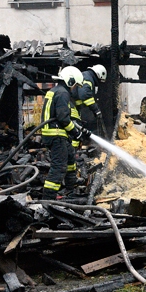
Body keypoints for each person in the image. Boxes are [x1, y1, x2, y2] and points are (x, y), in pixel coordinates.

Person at [40, 66, 89, 201]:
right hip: (56, 134)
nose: (75, 89)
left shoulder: (56, 91)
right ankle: (48, 198)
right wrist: (75, 132)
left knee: (70, 159)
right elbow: (63, 117)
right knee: (59, 167)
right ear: (70, 81)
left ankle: (70, 188)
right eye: (75, 86)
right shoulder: (63, 93)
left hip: (55, 133)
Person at [74, 64, 106, 137]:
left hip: (73, 107)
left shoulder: (86, 76)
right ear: (99, 75)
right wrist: (95, 109)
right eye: (99, 80)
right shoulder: (88, 78)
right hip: (71, 107)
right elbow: (84, 95)